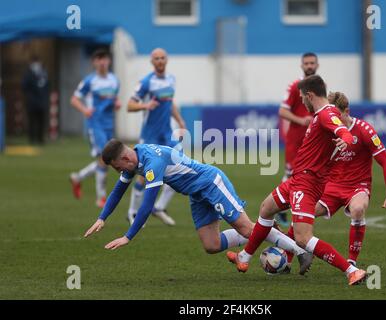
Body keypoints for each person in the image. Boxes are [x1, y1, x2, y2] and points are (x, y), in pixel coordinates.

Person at [83, 139, 311, 271]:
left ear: (124, 159)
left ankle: (299, 250)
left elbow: (147, 205)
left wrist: (128, 236)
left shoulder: (152, 163)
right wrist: (102, 218)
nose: (119, 172)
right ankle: (267, 231)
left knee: (245, 228)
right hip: (197, 194)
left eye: (116, 167)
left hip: (210, 183)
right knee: (211, 245)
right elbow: (118, 190)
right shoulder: (136, 157)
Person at [227, 75, 367, 285]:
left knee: (303, 238)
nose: (301, 102)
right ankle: (244, 257)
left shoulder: (327, 114)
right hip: (297, 179)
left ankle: (351, 271)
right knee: (266, 208)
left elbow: (343, 132)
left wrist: (345, 140)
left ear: (310, 96)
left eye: (302, 98)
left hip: (308, 183)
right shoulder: (321, 114)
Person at [315, 92, 386, 266]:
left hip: (357, 186)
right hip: (331, 185)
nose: (335, 120)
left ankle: (351, 261)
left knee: (358, 209)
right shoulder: (327, 130)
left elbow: (385, 162)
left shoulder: (364, 130)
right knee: (305, 211)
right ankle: (290, 256)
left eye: (338, 115)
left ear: (347, 111)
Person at [126, 48, 186, 226]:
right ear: (152, 62)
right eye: (156, 59)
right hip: (150, 135)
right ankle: (133, 212)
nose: (160, 61)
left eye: (162, 58)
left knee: (180, 167)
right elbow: (129, 105)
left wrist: (180, 122)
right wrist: (145, 105)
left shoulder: (171, 80)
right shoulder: (146, 82)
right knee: (144, 175)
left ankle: (159, 207)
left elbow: (170, 103)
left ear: (166, 60)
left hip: (167, 133)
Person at [69, 49, 120, 208]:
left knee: (106, 160)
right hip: (95, 125)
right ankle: (101, 198)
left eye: (104, 58)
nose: (102, 62)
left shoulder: (114, 80)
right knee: (104, 159)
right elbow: (74, 99)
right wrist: (85, 110)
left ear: (109, 61)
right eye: (99, 59)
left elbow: (114, 99)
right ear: (94, 62)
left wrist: (116, 103)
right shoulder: (89, 81)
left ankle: (78, 177)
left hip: (108, 124)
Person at [276, 52, 317, 227]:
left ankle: (301, 209)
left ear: (317, 65)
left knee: (311, 174)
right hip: (296, 140)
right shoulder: (296, 86)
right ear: (301, 65)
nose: (309, 66)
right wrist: (302, 120)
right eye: (306, 63)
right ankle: (280, 208)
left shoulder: (320, 86)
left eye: (312, 63)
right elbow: (282, 111)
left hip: (313, 140)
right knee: (291, 174)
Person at [22, 55, 49, 145]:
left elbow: (47, 85)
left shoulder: (43, 73)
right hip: (32, 101)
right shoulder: (28, 74)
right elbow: (24, 86)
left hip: (42, 101)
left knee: (41, 120)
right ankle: (32, 139)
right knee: (32, 120)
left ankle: (40, 138)